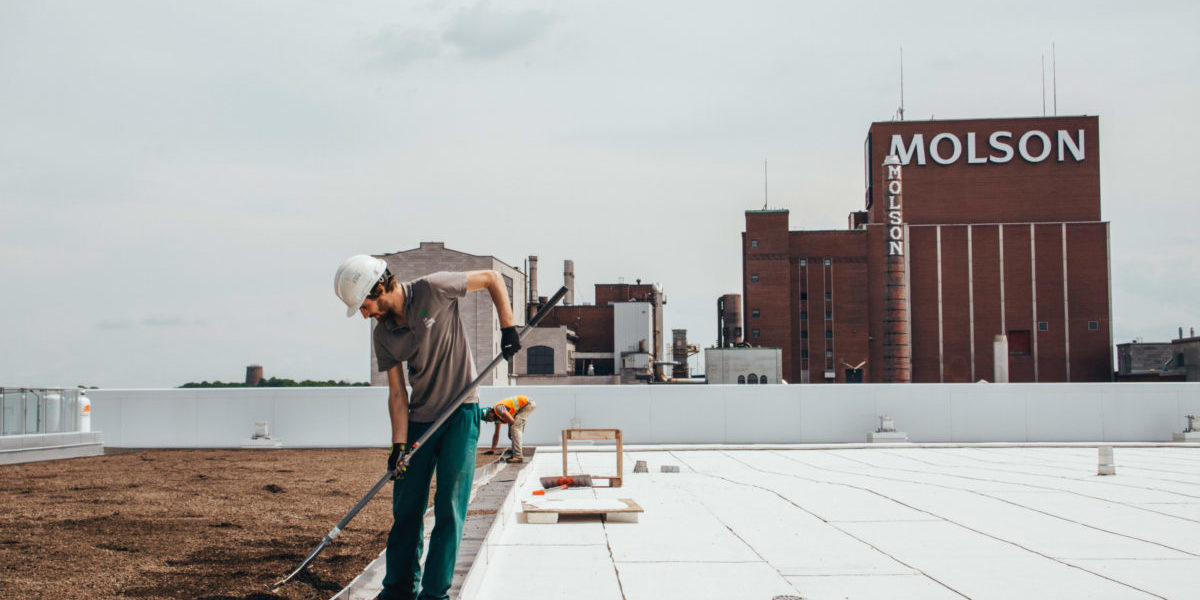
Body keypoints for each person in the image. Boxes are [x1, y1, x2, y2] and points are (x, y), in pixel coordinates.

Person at [334, 255, 520, 600]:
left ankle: (434, 595)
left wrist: (508, 328)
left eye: (364, 304)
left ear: (379, 287)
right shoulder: (383, 335)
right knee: (406, 509)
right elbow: (396, 394)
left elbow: (493, 278)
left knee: (450, 506)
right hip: (420, 420)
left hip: (461, 415)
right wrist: (398, 446)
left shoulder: (433, 289)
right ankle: (398, 590)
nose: (364, 313)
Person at [482, 395, 537, 463]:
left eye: (488, 417)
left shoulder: (498, 409)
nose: (490, 420)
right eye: (488, 420)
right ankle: (515, 453)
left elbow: (511, 421)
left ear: (490, 411)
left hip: (527, 404)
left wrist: (510, 430)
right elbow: (496, 433)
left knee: (515, 428)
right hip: (525, 406)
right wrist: (492, 449)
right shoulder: (497, 417)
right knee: (515, 430)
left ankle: (517, 456)